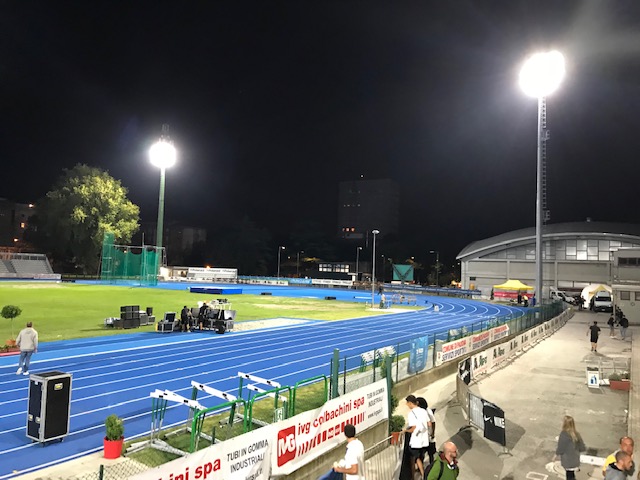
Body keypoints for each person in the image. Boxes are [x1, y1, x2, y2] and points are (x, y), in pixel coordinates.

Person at [403, 395, 429, 477]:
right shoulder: (424, 411)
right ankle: (421, 472)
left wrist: (405, 431)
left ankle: (422, 474)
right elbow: (429, 423)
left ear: (410, 403)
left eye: (407, 404)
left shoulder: (411, 414)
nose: (407, 406)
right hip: (424, 439)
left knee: (415, 457)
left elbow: (413, 428)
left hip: (416, 440)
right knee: (420, 456)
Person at [554, 415, 585, 480]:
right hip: (575, 459)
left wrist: (555, 455)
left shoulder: (563, 434)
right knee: (571, 474)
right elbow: (582, 447)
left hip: (567, 461)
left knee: (569, 476)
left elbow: (561, 448)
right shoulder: (576, 434)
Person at [417, 397, 437, 465]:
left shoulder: (428, 412)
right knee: (421, 453)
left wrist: (432, 433)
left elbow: (433, 422)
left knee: (430, 453)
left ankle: (432, 465)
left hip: (429, 436)